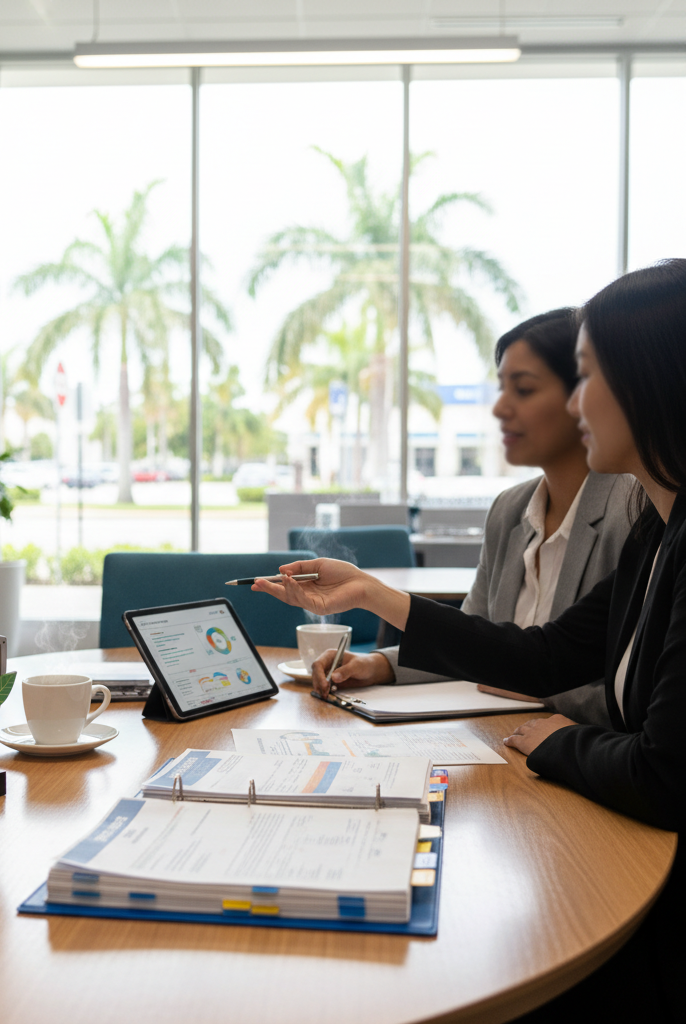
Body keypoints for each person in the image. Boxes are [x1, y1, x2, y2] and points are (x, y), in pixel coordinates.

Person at [255, 259, 686, 1017]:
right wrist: (377, 597)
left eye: (586, 375)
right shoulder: (658, 533)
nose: (579, 400)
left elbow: (666, 772)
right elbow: (543, 653)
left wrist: (554, 738)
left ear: (652, 378)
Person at [323, 308, 633, 727]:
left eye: (523, 389)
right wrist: (382, 665)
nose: (500, 408)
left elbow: (632, 692)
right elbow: (475, 640)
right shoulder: (510, 509)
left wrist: (539, 691)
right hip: (498, 737)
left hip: (572, 757)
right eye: (501, 388)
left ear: (585, 394)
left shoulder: (633, 510)